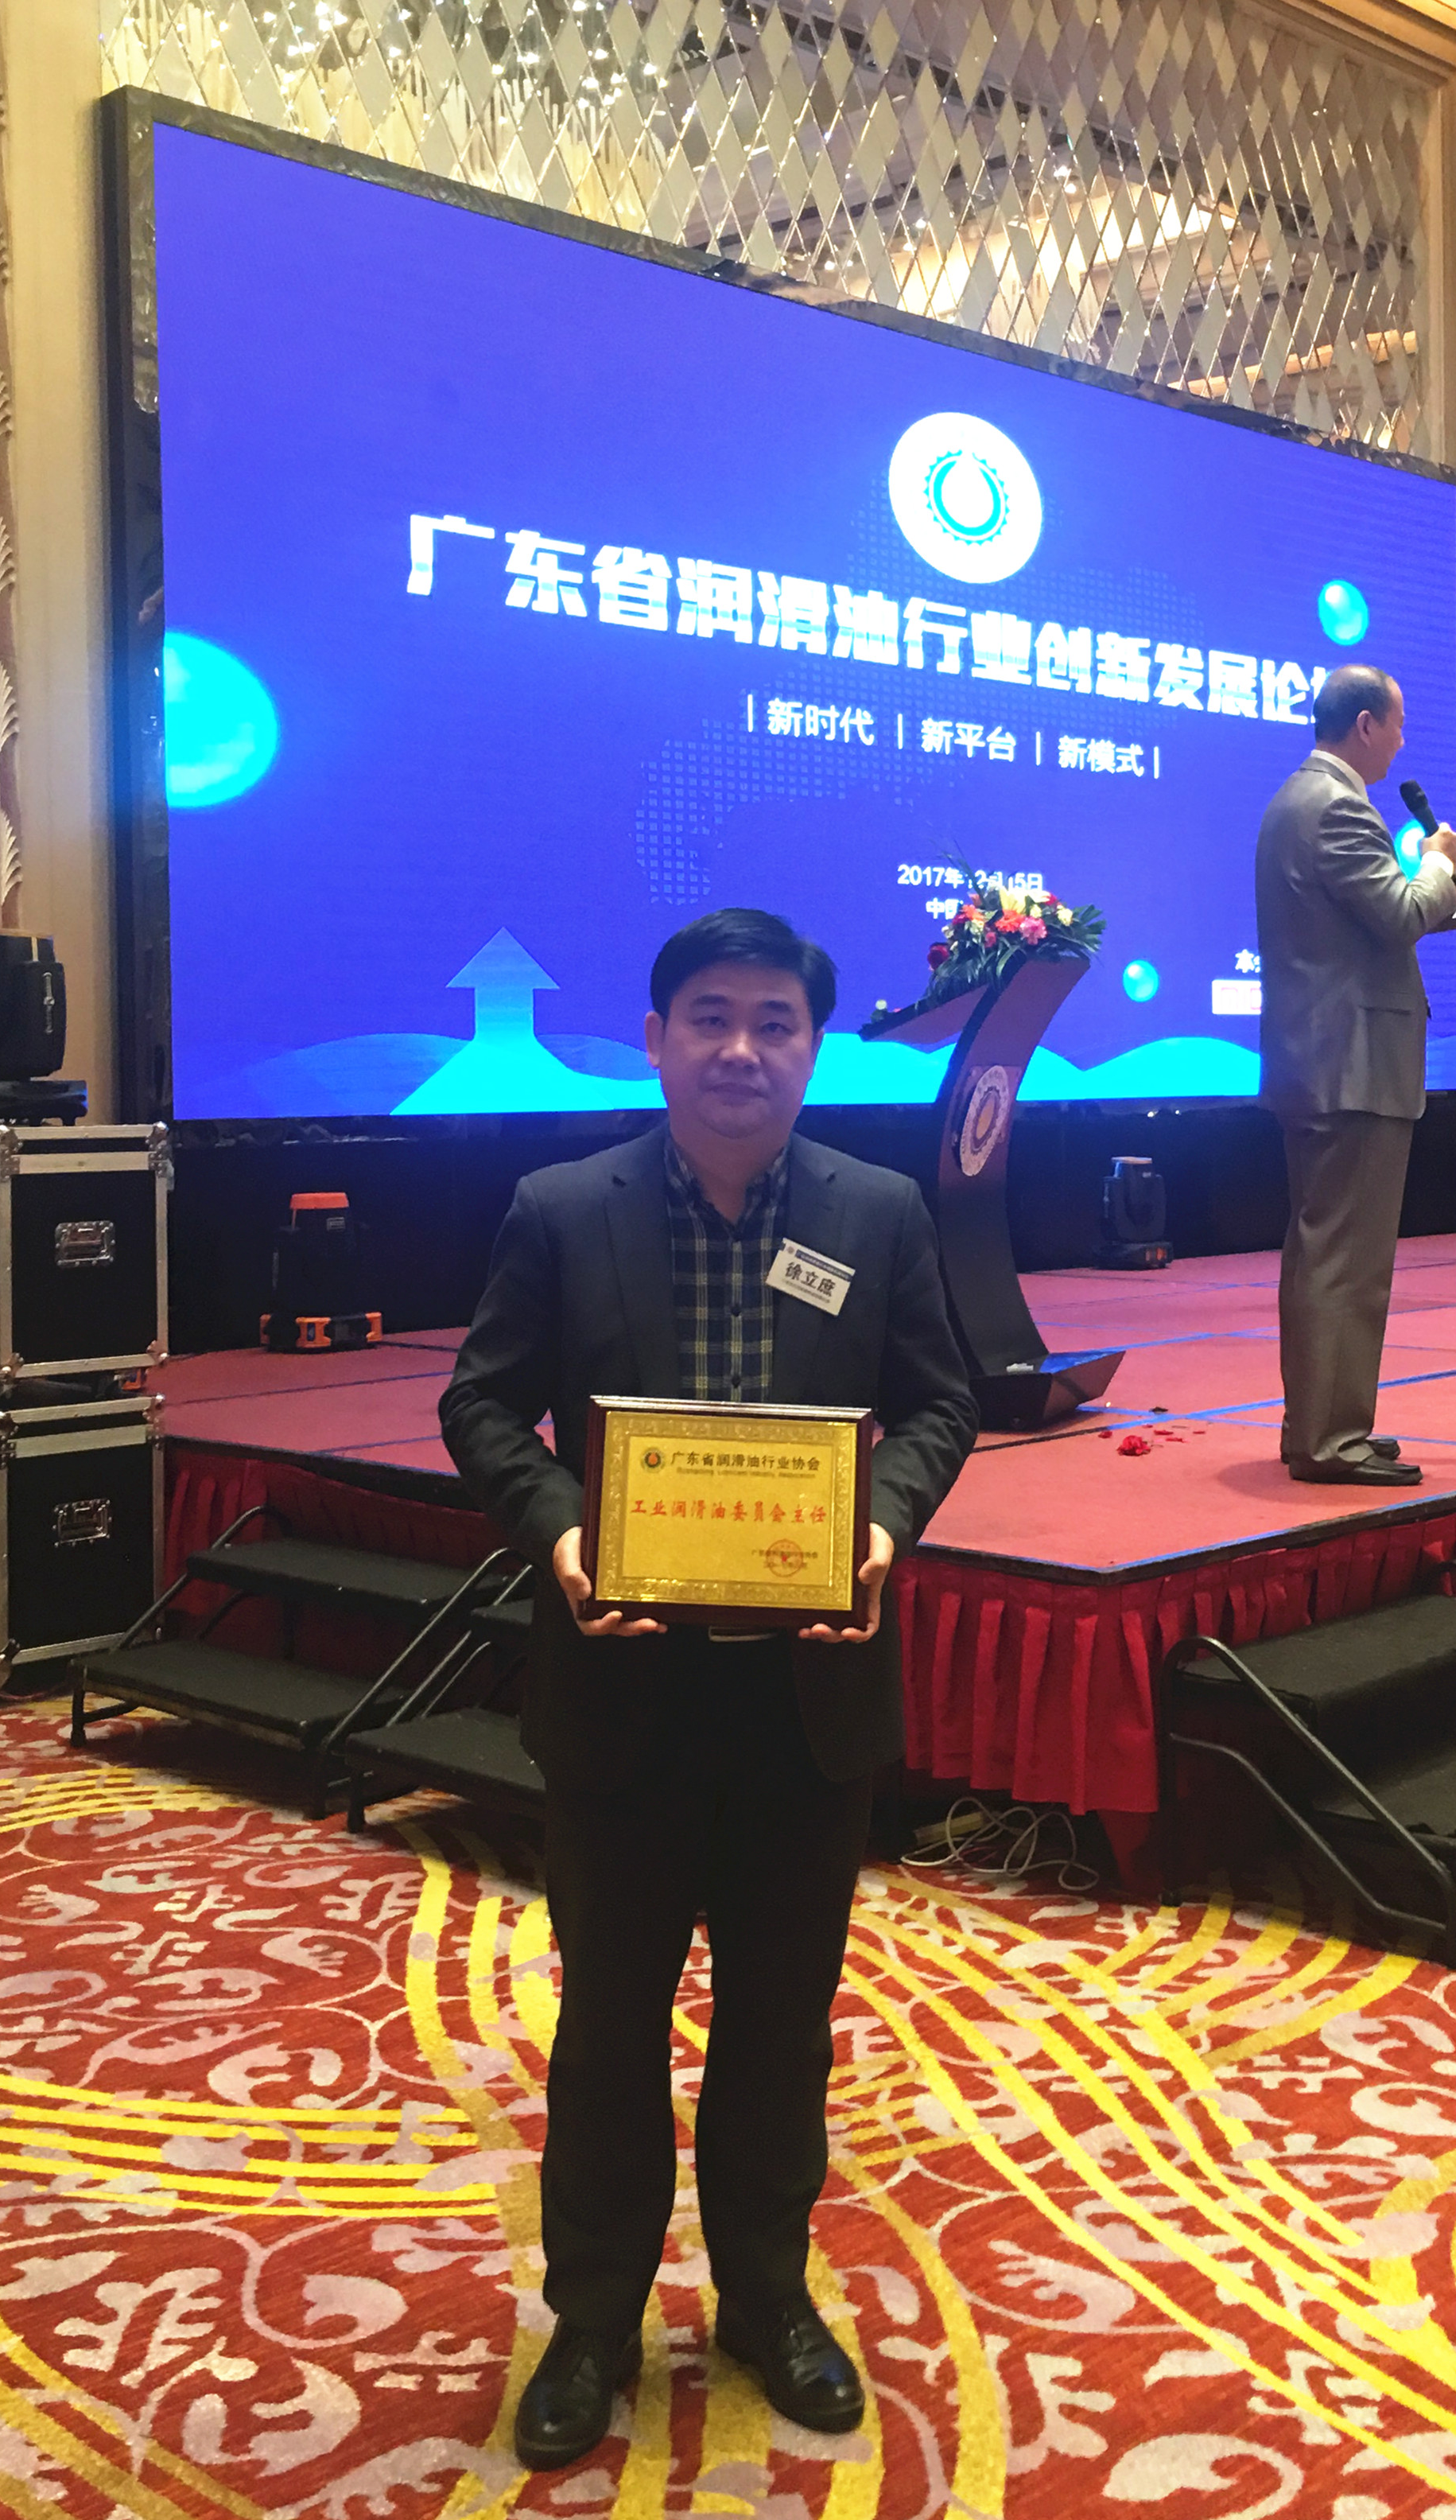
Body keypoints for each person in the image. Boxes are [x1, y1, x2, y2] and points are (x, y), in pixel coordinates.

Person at [440, 907, 977, 2469]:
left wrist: (880, 1529)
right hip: (620, 1695)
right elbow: (481, 1403)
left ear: (810, 1046)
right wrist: (559, 1533)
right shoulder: (561, 1207)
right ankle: (592, 2321)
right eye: (711, 1018)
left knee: (780, 2025)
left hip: (807, 1701)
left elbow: (938, 1405)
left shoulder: (878, 1211)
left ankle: (764, 2301)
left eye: (774, 1023)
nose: (741, 1050)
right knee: (607, 2024)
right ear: (658, 1037)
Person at [1256, 664, 1456, 1486]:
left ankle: (1322, 1427)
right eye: (1396, 723)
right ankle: (1330, 1441)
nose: (1400, 739)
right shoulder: (1338, 807)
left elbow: (1369, 922)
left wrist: (1451, 888)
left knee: (1327, 1255)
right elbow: (1395, 913)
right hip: (1348, 1065)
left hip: (1323, 1061)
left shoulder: (1300, 799)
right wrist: (1435, 861)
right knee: (1344, 1263)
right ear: (1363, 725)